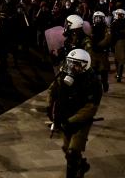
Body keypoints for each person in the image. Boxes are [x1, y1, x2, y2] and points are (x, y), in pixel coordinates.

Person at [47, 49, 103, 178]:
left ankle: (74, 173)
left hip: (80, 122)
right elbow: (52, 90)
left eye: (76, 64)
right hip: (65, 118)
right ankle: (81, 164)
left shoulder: (92, 82)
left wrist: (71, 121)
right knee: (66, 149)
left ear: (84, 65)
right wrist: (50, 106)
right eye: (70, 63)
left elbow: (90, 108)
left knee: (73, 152)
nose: (72, 67)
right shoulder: (63, 75)